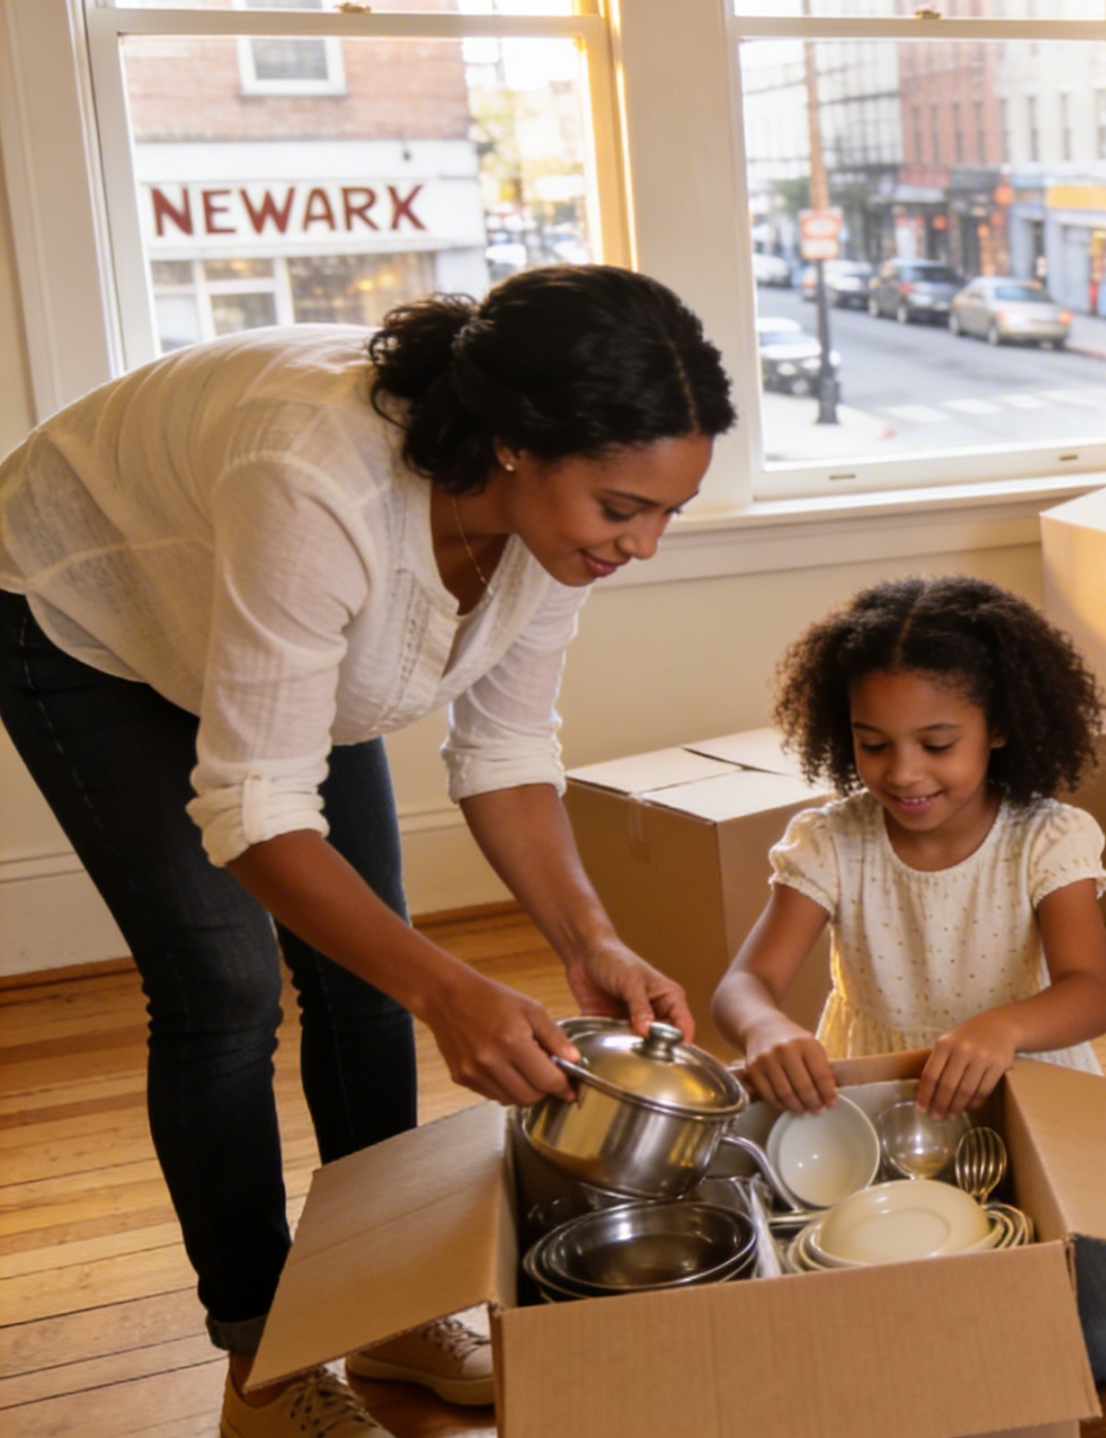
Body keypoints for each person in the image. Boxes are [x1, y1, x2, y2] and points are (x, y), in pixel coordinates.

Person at [0, 264, 736, 1438]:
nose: (642, 544)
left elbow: (504, 751)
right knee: (225, 991)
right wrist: (451, 989)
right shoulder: (314, 480)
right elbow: (254, 805)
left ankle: (387, 1304)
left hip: (272, 621)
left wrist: (589, 940)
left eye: (666, 513)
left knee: (365, 977)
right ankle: (262, 1361)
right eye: (620, 507)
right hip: (93, 613)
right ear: (513, 443)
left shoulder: (549, 535)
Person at [711, 574, 1106, 1383]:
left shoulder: (1048, 838)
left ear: (1000, 728)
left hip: (1031, 1102)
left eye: (937, 744)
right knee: (825, 1326)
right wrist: (766, 1025)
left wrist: (1005, 1025)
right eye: (873, 743)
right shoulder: (832, 841)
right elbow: (743, 986)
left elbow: (1092, 992)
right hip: (873, 1121)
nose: (904, 773)